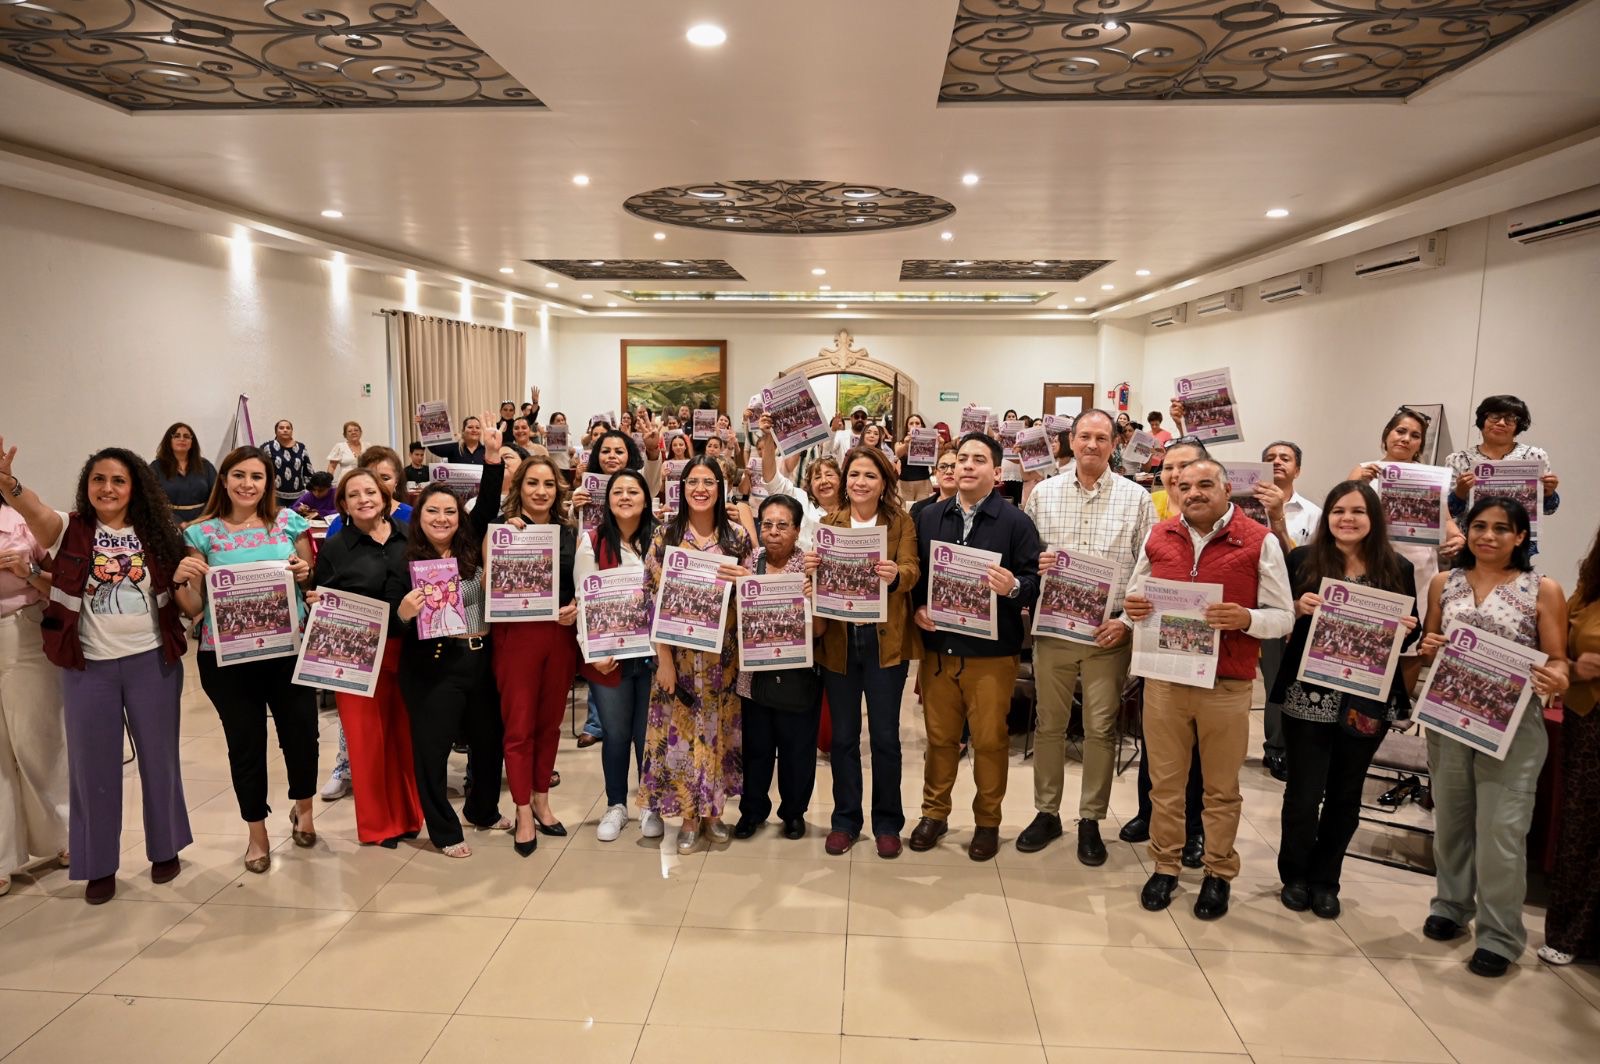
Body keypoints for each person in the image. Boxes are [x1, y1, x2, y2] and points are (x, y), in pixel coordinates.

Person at [0, 440, 191, 904]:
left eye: (118, 480)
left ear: (134, 488)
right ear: (87, 486)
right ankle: (98, 863)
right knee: (93, 769)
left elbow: (185, 593)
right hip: (89, 667)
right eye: (98, 479)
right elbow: (37, 510)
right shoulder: (70, 529)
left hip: (153, 663)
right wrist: (9, 485)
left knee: (159, 760)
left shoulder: (156, 532)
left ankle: (165, 848)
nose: (108, 488)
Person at [1123, 458, 1294, 919]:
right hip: (1165, 680)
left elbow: (1284, 616)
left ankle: (1219, 873)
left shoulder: (1260, 541)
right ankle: (1166, 864)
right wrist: (1133, 608)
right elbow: (1137, 593)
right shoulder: (1159, 535)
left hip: (1226, 683)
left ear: (1225, 488)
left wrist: (1246, 618)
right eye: (1183, 485)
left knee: (1220, 789)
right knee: (1166, 785)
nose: (1193, 492)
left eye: (1204, 484)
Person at [1419, 497, 1569, 977]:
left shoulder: (1542, 589)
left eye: (1501, 529)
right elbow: (1428, 647)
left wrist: (1559, 677)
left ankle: (1500, 934)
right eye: (1478, 526)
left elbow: (1558, 658)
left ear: (1521, 536)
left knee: (1502, 831)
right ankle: (1450, 905)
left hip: (1514, 725)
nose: (1488, 536)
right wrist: (1428, 646)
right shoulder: (1445, 583)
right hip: (1449, 717)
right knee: (1453, 821)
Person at [1274, 481, 1419, 918]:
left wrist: (1407, 626)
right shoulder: (1302, 560)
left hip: (1367, 697)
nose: (1347, 519)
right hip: (1309, 692)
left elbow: (1413, 628)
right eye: (1338, 511)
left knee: (1345, 793)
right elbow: (1278, 615)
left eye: (1357, 511)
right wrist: (1297, 609)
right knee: (1303, 792)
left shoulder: (1398, 567)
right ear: (1327, 517)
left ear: (1373, 518)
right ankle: (1295, 874)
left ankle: (1326, 879)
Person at [174, 446, 319, 874]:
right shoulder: (201, 533)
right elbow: (191, 604)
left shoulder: (289, 522)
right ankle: (257, 833)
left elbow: (307, 571)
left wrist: (302, 572)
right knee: (246, 745)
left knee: (302, 734)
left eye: (256, 477)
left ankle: (304, 809)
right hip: (227, 657)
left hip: (287, 650)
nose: (247, 484)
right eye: (238, 475)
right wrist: (182, 580)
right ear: (224, 480)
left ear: (267, 483)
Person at [1018, 410, 1154, 863]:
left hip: (1108, 630)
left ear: (1115, 443)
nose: (1092, 445)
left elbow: (1146, 571)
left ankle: (1091, 818)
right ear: (1070, 441)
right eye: (1084, 437)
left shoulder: (1137, 499)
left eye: (1101, 437)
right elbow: (1027, 556)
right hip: (1054, 627)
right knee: (1049, 726)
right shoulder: (1044, 494)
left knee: (1100, 729)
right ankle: (1046, 812)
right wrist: (1034, 568)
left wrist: (1128, 624)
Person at [910, 432, 1041, 861]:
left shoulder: (1016, 522)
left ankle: (988, 820)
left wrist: (1014, 586)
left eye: (978, 460)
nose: (966, 466)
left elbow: (1035, 583)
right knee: (941, 738)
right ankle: (934, 812)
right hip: (940, 648)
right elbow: (916, 577)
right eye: (961, 458)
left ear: (997, 472)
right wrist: (916, 609)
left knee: (988, 741)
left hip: (991, 655)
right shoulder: (928, 517)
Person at [389, 423, 509, 858]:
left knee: (488, 741)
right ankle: (443, 829)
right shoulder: (404, 562)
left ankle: (482, 809)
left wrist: (493, 458)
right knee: (433, 749)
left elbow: (490, 502)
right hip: (433, 665)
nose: (442, 519)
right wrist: (404, 612)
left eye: (450, 512)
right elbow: (390, 622)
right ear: (418, 518)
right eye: (432, 512)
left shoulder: (471, 546)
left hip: (481, 660)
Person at [809, 446, 920, 858]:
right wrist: (812, 569)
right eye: (854, 474)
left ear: (883, 482)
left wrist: (895, 575)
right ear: (844, 479)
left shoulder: (900, 523)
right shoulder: (829, 523)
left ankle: (888, 822)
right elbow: (816, 577)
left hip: (883, 642)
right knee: (842, 738)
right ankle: (845, 819)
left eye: (869, 476)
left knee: (887, 738)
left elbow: (912, 569)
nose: (860, 482)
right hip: (839, 641)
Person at [642, 456, 753, 853]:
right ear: (682, 487)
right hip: (681, 659)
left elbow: (753, 597)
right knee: (684, 736)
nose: (701, 489)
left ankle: (714, 812)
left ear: (720, 488)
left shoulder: (737, 537)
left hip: (724, 657)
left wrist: (744, 580)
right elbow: (650, 600)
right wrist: (665, 660)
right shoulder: (665, 537)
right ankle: (689, 813)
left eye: (709, 481)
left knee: (720, 732)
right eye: (693, 482)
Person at [310, 468, 423, 847]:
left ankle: (409, 815)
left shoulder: (411, 538)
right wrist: (316, 603)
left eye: (371, 491)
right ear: (342, 503)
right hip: (357, 653)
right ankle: (379, 826)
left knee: (404, 736)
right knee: (367, 741)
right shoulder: (335, 547)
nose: (364, 499)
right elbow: (320, 598)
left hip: (407, 650)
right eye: (354, 494)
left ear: (386, 496)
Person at [1120, 439, 1209, 861]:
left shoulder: (1216, 519)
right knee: (1154, 738)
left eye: (1186, 466)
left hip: (1205, 653)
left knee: (1195, 749)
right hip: (1156, 646)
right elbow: (1137, 579)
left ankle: (1193, 828)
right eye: (1170, 467)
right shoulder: (1153, 514)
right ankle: (1148, 812)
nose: (1176, 475)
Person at [491, 455, 579, 856]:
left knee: (550, 724)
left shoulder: (571, 533)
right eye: (532, 484)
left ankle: (543, 798)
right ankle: (523, 809)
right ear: (519, 488)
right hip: (516, 637)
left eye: (548, 484)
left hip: (558, 636)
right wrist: (502, 540)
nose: (540, 491)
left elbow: (582, 584)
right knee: (519, 725)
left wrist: (576, 606)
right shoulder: (502, 530)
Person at [577, 468, 664, 843]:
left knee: (647, 734)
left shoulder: (662, 540)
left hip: (653, 656)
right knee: (614, 734)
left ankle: (649, 803)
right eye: (618, 492)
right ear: (608, 501)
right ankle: (616, 804)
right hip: (609, 657)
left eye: (633, 491)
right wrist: (591, 653)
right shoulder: (591, 542)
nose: (625, 497)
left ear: (646, 499)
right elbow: (583, 602)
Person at [734, 494, 824, 840]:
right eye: (767, 524)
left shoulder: (809, 566)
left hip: (797, 674)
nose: (773, 532)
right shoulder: (751, 560)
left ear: (797, 530)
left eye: (782, 525)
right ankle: (752, 811)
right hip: (753, 677)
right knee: (756, 749)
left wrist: (811, 600)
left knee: (796, 750)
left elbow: (819, 631)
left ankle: (794, 813)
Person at [0, 490, 68, 897]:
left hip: (22, 628)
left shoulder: (18, 518)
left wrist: (26, 570)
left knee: (38, 736)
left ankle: (61, 833)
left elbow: (61, 578)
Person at [1348, 407, 1464, 638]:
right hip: (1369, 561)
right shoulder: (1364, 470)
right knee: (1369, 635)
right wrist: (1359, 484)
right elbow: (1342, 513)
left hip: (1418, 566)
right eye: (1400, 431)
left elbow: (1446, 519)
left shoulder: (1430, 475)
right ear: (1386, 434)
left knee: (1411, 637)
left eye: (1415, 435)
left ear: (1420, 444)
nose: (1406, 439)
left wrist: (1458, 537)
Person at [1542, 522, 1600, 966]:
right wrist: (1571, 667)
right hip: (1586, 722)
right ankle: (1570, 934)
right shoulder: (1589, 586)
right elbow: (1562, 646)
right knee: (1580, 828)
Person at [1258, 439, 1324, 780]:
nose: (1277, 462)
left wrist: (1278, 521)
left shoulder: (1313, 514)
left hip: (1285, 607)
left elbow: (1307, 568)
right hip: (1242, 603)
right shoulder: (1241, 507)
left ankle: (1278, 748)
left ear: (1297, 469)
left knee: (1278, 680)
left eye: (1285, 458)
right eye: (1270, 458)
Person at [1445, 394, 1562, 537]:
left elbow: (1549, 509)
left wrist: (1549, 492)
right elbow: (1447, 513)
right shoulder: (1458, 460)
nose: (1501, 423)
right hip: (1473, 542)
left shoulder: (1534, 456)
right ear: (1483, 420)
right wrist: (1460, 492)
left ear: (1518, 425)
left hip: (1518, 543)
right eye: (1494, 416)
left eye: (1510, 419)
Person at [757, 413, 842, 550]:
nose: (824, 481)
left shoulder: (852, 508)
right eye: (817, 477)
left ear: (841, 479)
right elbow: (771, 479)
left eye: (829, 475)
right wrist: (768, 436)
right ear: (810, 485)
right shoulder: (801, 500)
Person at [150, 422, 216, 526]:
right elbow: (152, 499)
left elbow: (216, 495)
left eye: (186, 436)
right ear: (169, 441)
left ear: (192, 442)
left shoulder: (206, 466)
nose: (182, 439)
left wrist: (202, 519)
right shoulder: (156, 467)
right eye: (176, 436)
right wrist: (177, 522)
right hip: (167, 523)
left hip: (203, 522)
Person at [265, 419, 314, 508]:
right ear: (276, 431)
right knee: (278, 520)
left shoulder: (301, 447)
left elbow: (308, 469)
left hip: (298, 495)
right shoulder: (268, 447)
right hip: (275, 495)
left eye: (288, 428)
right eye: (281, 428)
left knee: (295, 520)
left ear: (292, 431)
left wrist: (313, 489)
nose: (285, 430)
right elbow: (260, 468)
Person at [910, 444, 959, 523]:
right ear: (936, 473)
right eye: (943, 467)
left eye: (954, 466)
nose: (949, 471)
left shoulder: (973, 508)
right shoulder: (919, 509)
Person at [896, 413, 934, 503]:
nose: (914, 426)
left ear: (922, 425)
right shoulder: (901, 443)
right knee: (905, 512)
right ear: (907, 427)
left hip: (924, 482)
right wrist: (906, 444)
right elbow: (898, 454)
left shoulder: (929, 442)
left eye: (917, 423)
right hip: (904, 483)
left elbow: (936, 460)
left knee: (924, 512)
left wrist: (939, 446)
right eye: (911, 423)